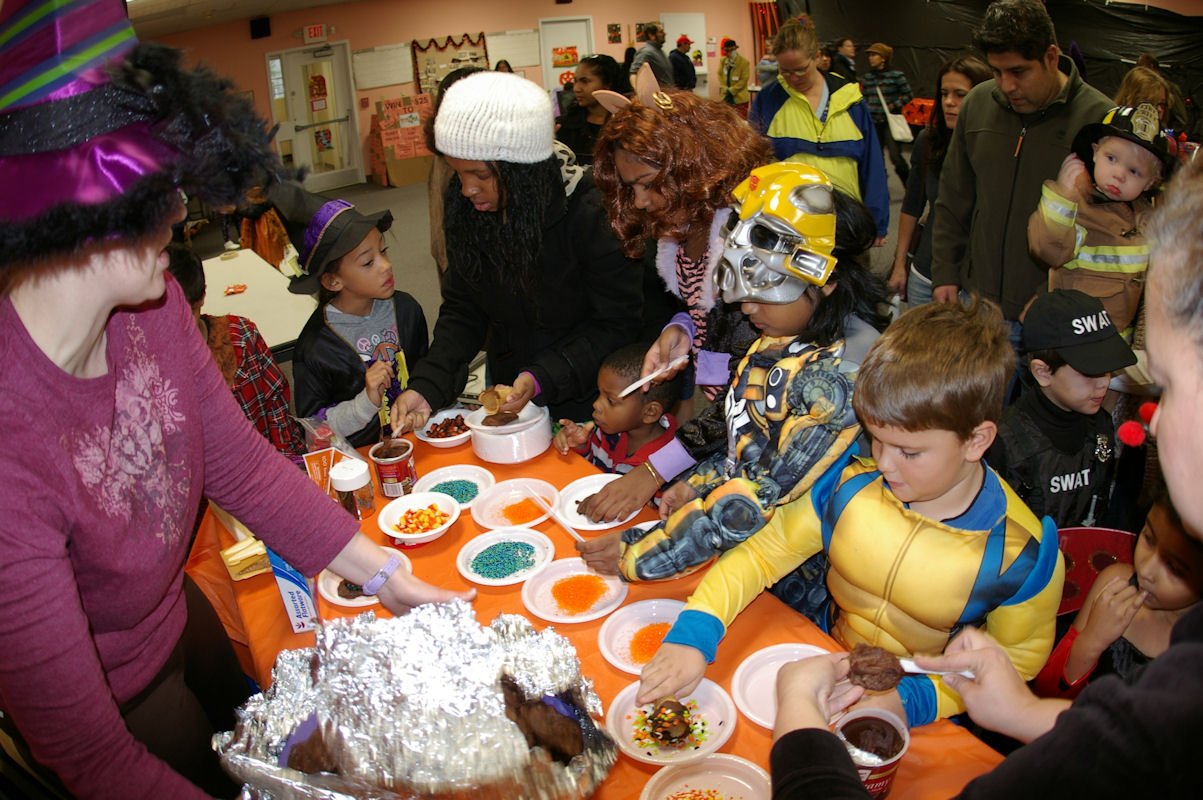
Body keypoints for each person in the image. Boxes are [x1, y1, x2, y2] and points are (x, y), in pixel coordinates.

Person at [0, 3, 472, 796]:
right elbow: (92, 757)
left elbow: (243, 468)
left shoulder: (154, 308)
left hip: (174, 610)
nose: (181, 215)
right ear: (78, 208)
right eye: (156, 192)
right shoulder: (10, 448)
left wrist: (387, 578)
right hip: (118, 692)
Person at [767, 152, 1203, 800]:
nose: (1153, 419)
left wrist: (798, 715)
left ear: (977, 441)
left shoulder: (1019, 548)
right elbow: (1141, 740)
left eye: (1164, 385)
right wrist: (1023, 714)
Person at [638, 298, 1063, 728]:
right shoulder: (847, 482)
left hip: (930, 711)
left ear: (976, 440)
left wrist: (915, 701)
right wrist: (694, 633)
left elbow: (1016, 662)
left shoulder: (1021, 554)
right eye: (876, 439)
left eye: (909, 452)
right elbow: (762, 555)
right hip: (826, 664)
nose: (885, 464)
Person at [580, 164, 888, 585]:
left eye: (764, 296)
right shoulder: (783, 334)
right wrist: (696, 484)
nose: (746, 308)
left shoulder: (841, 376)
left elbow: (758, 492)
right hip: (752, 547)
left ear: (825, 280)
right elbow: (743, 436)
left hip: (811, 567)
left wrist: (638, 552)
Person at [390, 71, 643, 433]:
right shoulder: (467, 207)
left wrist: (541, 377)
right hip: (511, 383)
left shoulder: (591, 212)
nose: (467, 189)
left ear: (522, 171)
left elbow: (617, 324)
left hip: (589, 400)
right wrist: (428, 385)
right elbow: (464, 307)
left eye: (480, 175)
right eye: (458, 174)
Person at [583, 74, 772, 523]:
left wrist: (654, 469)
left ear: (692, 167)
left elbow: (751, 384)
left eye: (648, 183)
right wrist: (682, 329)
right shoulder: (685, 227)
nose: (640, 202)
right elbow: (704, 309)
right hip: (725, 419)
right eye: (630, 188)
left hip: (762, 422)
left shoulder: (746, 240)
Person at [929, 0, 1112, 329]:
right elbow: (954, 199)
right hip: (974, 304)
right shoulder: (977, 104)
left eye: (1018, 72)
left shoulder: (1099, 119)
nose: (1006, 86)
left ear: (1051, 57)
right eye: (996, 71)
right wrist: (945, 272)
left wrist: (1052, 291)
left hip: (1047, 314)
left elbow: (1107, 231)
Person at [1034, 487, 1203, 699]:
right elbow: (1045, 691)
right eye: (1148, 538)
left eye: (1174, 568)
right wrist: (1091, 641)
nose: (1146, 570)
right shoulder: (1115, 586)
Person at [287, 194, 428, 449]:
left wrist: (422, 402)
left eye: (383, 251)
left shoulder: (406, 310)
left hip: (417, 444)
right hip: (361, 460)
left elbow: (425, 373)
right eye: (368, 262)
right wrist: (365, 403)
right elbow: (314, 431)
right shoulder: (316, 347)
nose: (386, 265)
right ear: (332, 281)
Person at [988, 290, 1136, 529]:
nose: (1104, 382)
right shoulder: (1003, 443)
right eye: (1090, 372)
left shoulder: (1101, 426)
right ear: (1043, 372)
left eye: (1108, 370)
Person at [1027, 104, 1174, 335]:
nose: (1119, 174)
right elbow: (1050, 251)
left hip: (1118, 340)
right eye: (1111, 158)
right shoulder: (1075, 204)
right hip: (1071, 336)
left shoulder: (1147, 218)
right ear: (1095, 152)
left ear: (1150, 183)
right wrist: (1062, 198)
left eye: (1134, 171)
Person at [749, 16, 890, 244]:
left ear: (817, 57)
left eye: (800, 70)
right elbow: (753, 162)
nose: (793, 78)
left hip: (847, 224)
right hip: (789, 226)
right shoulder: (769, 99)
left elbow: (872, 164)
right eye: (785, 71)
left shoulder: (850, 99)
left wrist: (877, 221)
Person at [164, 243, 307, 462]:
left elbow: (276, 404)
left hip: (261, 463)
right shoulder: (149, 366)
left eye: (187, 313)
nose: (175, 326)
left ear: (202, 297)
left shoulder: (240, 337)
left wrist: (290, 462)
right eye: (164, 318)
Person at [888, 56, 992, 307]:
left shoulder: (998, 151)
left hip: (978, 287)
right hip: (926, 276)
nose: (949, 102)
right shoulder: (928, 142)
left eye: (960, 95)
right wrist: (900, 265)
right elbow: (912, 207)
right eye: (944, 94)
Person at [552, 342, 682, 479]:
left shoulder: (668, 465)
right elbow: (590, 470)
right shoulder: (606, 432)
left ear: (650, 412)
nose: (596, 404)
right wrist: (580, 445)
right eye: (599, 394)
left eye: (611, 401)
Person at [859, 42, 913, 185]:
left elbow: (908, 95)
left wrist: (892, 106)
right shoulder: (868, 77)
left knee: (895, 156)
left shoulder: (896, 76)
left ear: (883, 58)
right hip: (873, 122)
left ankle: (909, 186)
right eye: (869, 55)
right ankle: (881, 187)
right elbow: (864, 96)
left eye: (874, 55)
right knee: (877, 158)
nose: (870, 58)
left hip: (889, 122)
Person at [556, 54, 625, 165]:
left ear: (607, 85)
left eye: (585, 81)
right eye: (575, 81)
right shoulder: (566, 126)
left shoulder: (625, 125)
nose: (576, 88)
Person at [630, 21, 673, 88]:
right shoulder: (646, 52)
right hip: (658, 93)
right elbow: (634, 74)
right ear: (651, 35)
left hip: (667, 92)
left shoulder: (659, 51)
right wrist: (639, 92)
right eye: (661, 32)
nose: (665, 34)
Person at [718, 38, 751, 118]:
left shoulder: (744, 62)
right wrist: (725, 88)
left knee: (740, 121)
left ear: (735, 50)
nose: (726, 54)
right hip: (725, 97)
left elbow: (744, 80)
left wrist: (731, 90)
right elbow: (720, 75)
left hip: (740, 98)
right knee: (727, 120)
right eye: (725, 51)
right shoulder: (723, 61)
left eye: (728, 51)